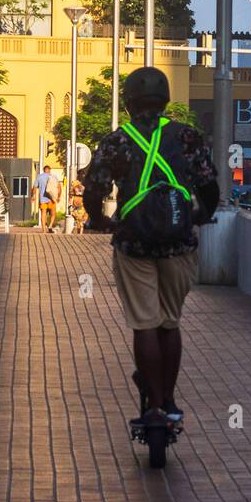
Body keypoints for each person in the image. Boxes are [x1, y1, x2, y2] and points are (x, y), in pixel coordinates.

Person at [83, 67, 219, 429]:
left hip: (134, 242)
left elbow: (94, 189)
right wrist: (200, 217)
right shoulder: (187, 136)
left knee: (144, 323)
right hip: (179, 242)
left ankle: (153, 405)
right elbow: (209, 187)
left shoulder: (118, 141)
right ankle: (170, 402)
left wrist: (99, 220)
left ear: (128, 103)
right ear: (165, 101)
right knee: (169, 323)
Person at [34, 164, 59, 232]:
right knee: (53, 214)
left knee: (43, 213)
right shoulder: (53, 177)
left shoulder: (39, 177)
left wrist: (33, 196)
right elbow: (59, 187)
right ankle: (50, 226)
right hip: (52, 198)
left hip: (43, 198)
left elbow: (35, 187)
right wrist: (58, 196)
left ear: (43, 170)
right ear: (49, 170)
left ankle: (44, 230)